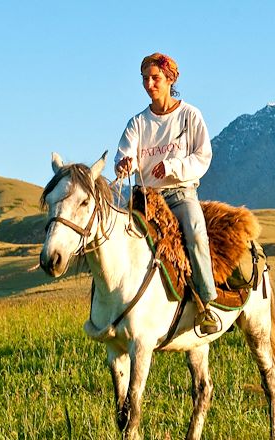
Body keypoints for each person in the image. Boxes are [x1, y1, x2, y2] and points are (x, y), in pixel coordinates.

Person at [113, 52, 220, 334]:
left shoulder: (190, 115)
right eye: (145, 79)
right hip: (146, 198)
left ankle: (207, 304)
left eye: (155, 78)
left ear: (170, 79)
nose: (149, 84)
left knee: (196, 233)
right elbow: (125, 154)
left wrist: (172, 166)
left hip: (180, 193)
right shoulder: (137, 122)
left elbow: (203, 157)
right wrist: (125, 163)